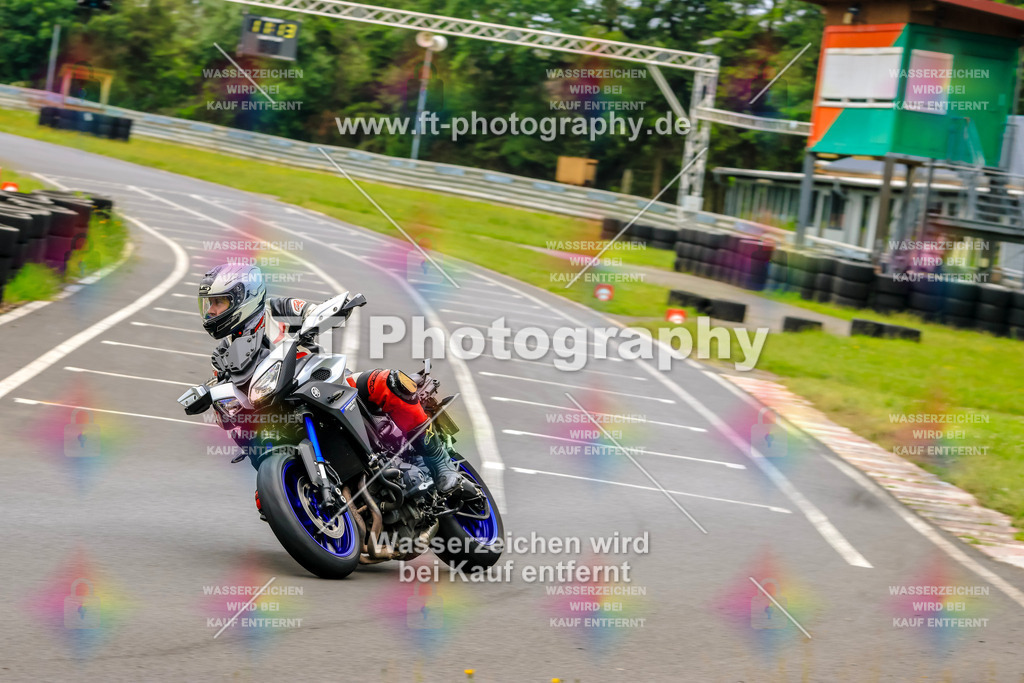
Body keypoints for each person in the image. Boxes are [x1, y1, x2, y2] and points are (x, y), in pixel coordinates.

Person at [196, 262, 466, 496]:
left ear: (245, 297)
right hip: (275, 408)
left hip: (322, 382)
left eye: (219, 302)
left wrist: (326, 313)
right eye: (209, 305)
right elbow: (222, 389)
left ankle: (438, 460)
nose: (211, 312)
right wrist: (210, 398)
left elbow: (311, 311)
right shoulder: (222, 355)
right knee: (260, 479)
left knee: (387, 382)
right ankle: (291, 494)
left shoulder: (275, 311)